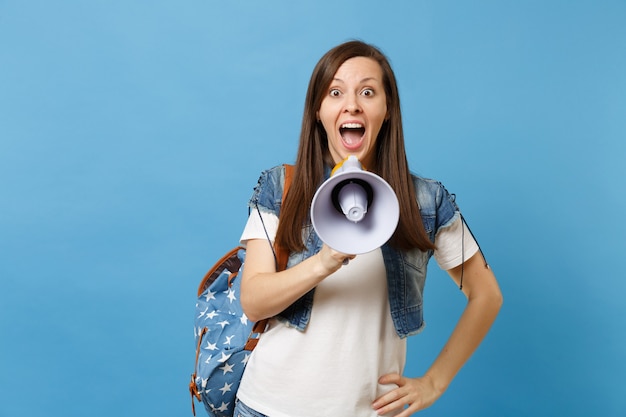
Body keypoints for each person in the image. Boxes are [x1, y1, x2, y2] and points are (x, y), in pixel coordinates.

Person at [235, 40, 502, 417]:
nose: (352, 104)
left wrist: (434, 382)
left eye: (367, 91)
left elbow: (487, 295)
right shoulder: (281, 187)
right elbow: (253, 300)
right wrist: (324, 262)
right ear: (318, 110)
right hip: (267, 407)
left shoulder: (425, 201)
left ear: (387, 108)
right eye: (335, 91)